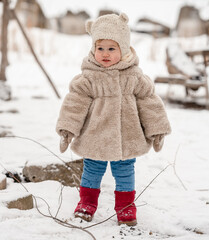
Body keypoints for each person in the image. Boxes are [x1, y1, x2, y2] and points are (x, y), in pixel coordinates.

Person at [56, 13, 171, 226]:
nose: (105, 54)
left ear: (124, 49)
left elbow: (149, 102)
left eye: (112, 48)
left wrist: (156, 129)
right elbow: (75, 103)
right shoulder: (89, 77)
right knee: (91, 170)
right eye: (100, 48)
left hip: (126, 137)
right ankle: (86, 204)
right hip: (95, 136)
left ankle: (126, 209)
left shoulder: (135, 76)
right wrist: (68, 128)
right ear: (93, 49)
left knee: (125, 172)